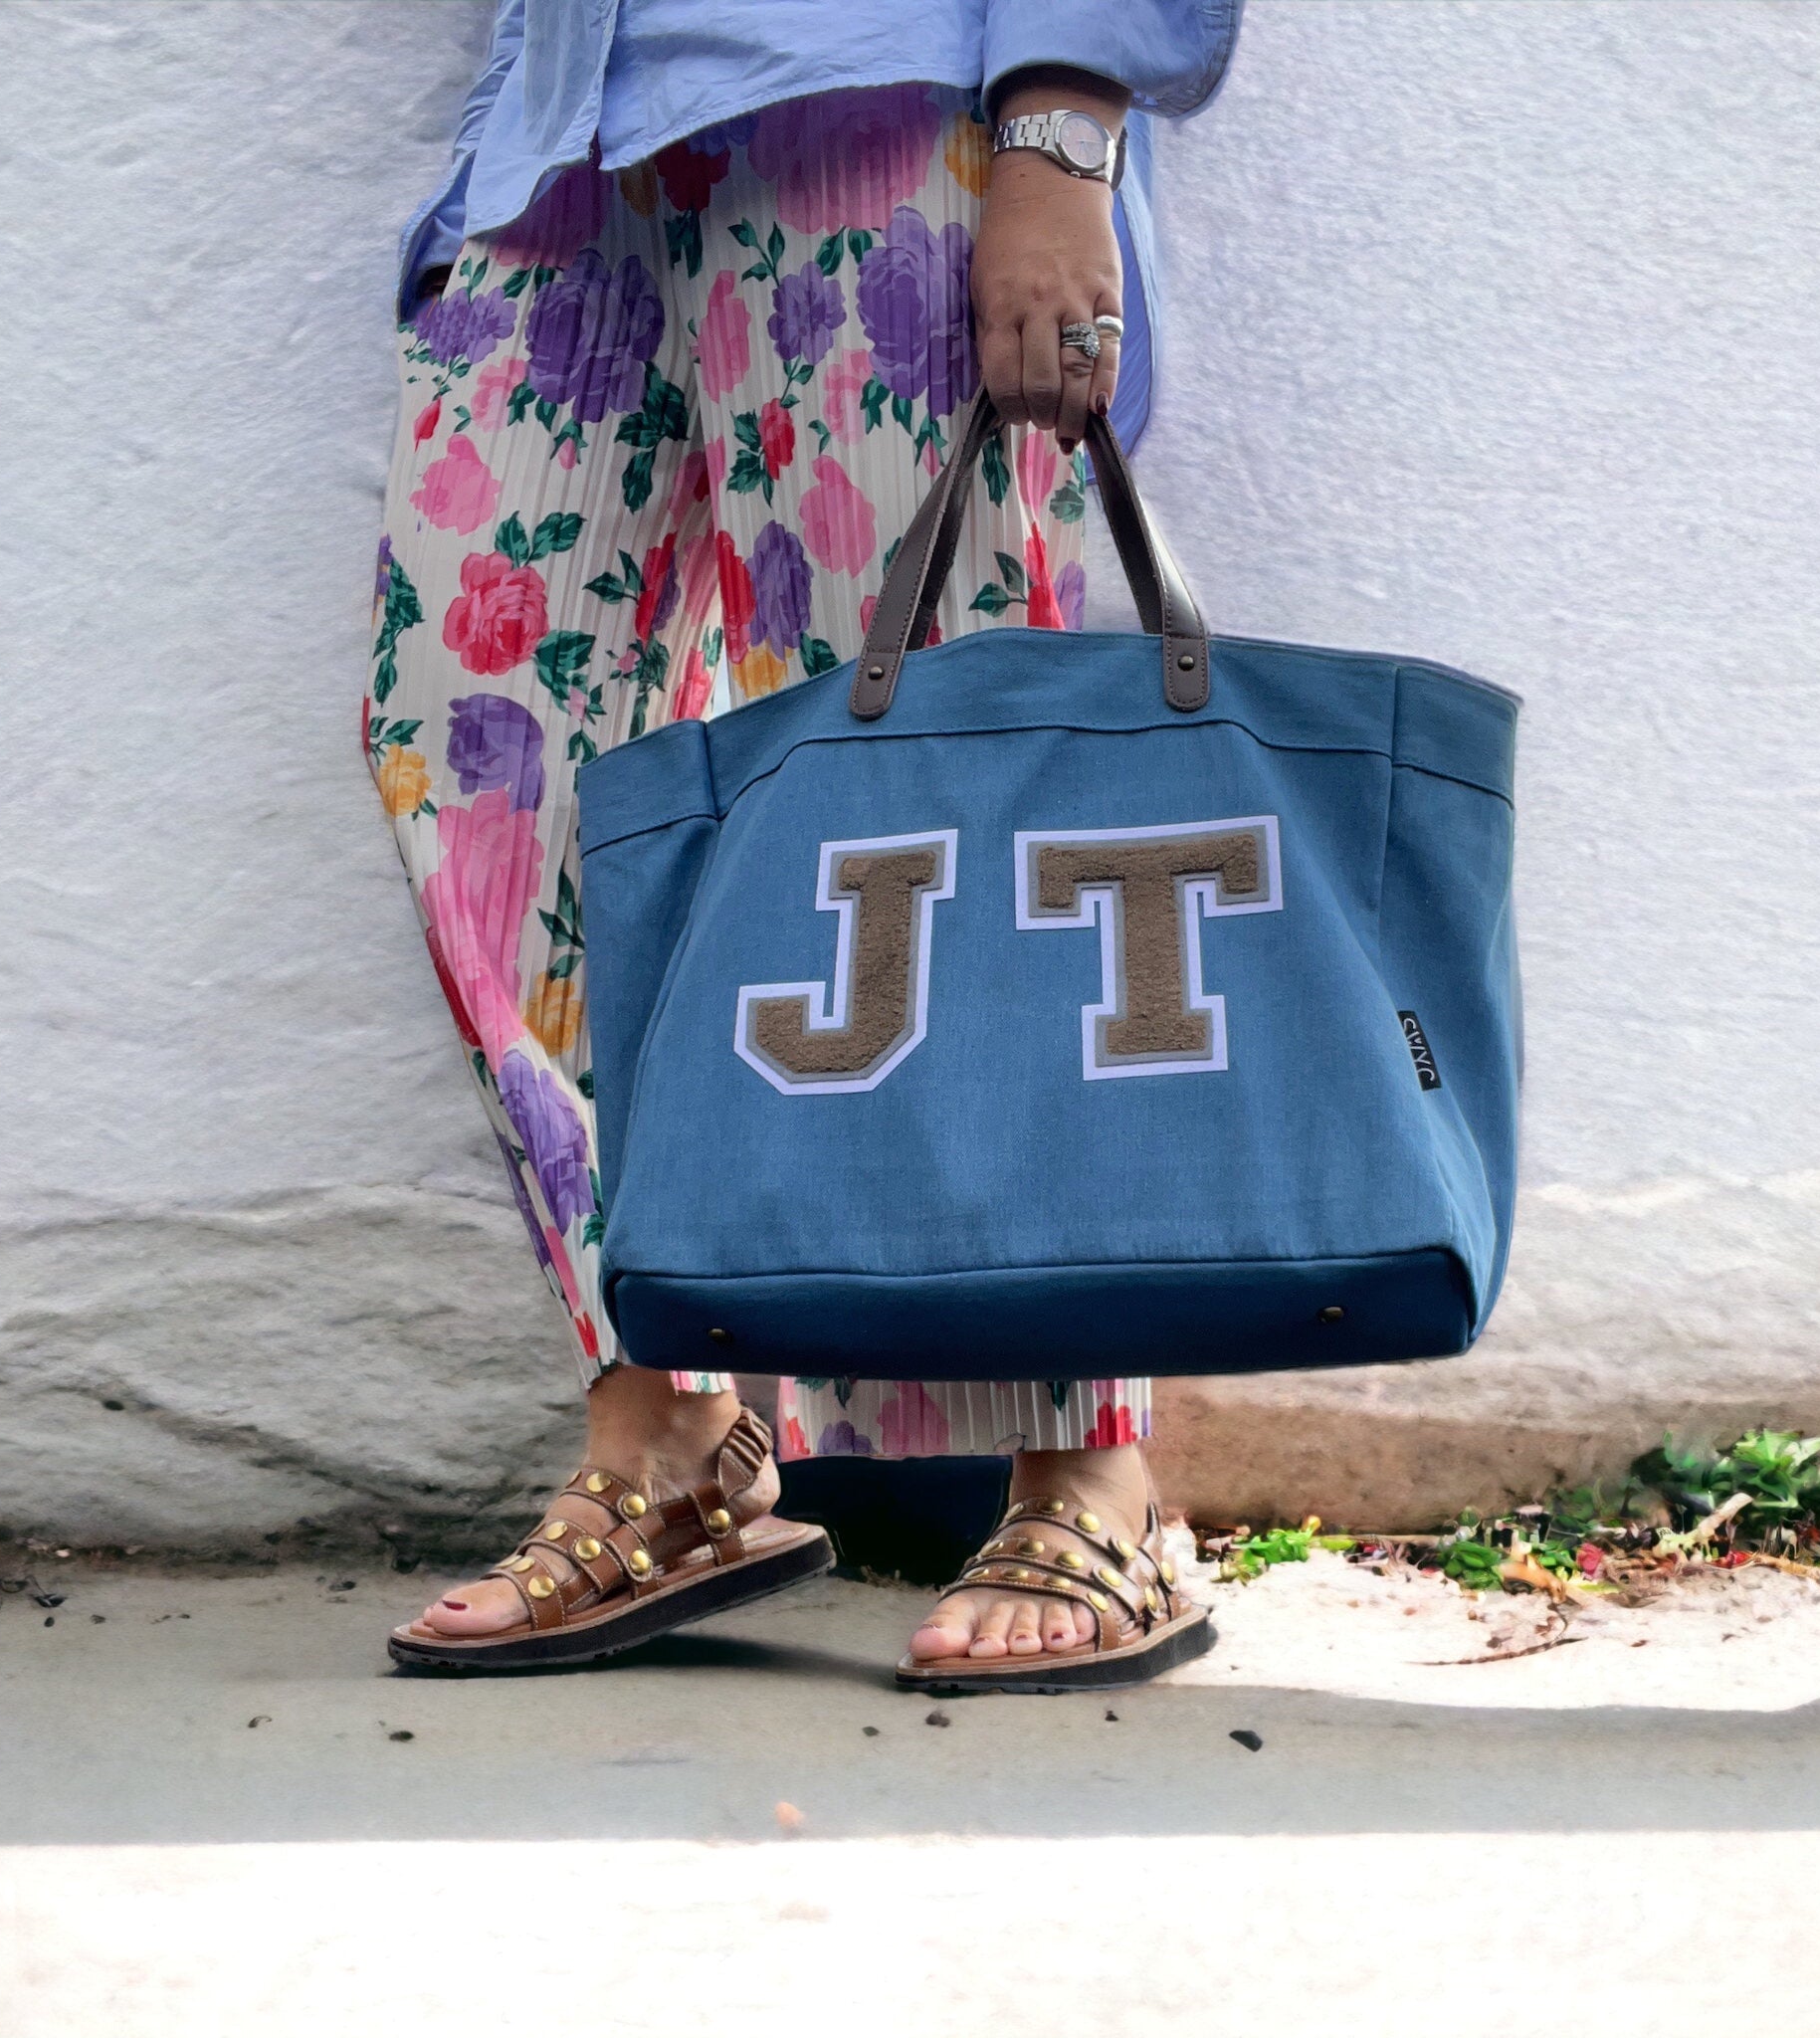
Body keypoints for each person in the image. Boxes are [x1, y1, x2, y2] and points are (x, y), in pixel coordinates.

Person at [370, 0, 1242, 1687]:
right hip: (570, 124)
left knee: (954, 760)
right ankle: (673, 1421)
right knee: (478, 744)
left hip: (888, 91)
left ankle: (1090, 1464)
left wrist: (1060, 123)